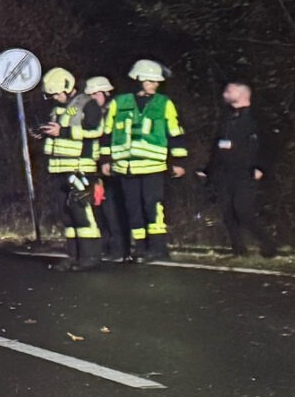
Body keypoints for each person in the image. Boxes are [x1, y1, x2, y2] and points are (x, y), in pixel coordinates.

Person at [107, 59, 187, 262]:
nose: (155, 85)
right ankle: (140, 248)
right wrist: (105, 160)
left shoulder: (164, 103)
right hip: (126, 166)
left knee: (152, 205)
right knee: (132, 207)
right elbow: (106, 133)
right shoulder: (119, 102)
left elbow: (175, 132)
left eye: (156, 82)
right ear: (138, 79)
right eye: (150, 81)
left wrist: (179, 162)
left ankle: (158, 247)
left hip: (153, 165)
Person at [36, 67, 101, 267]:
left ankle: (89, 257)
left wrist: (63, 132)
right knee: (66, 214)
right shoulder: (57, 108)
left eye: (57, 93)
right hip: (59, 168)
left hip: (79, 167)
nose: (55, 97)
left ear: (68, 86)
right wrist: (44, 133)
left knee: (82, 212)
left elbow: (96, 131)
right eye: (51, 95)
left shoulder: (88, 105)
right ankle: (73, 256)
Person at [211, 80, 276, 258]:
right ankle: (239, 250)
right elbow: (217, 146)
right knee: (227, 211)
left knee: (243, 209)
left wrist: (261, 166)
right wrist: (209, 169)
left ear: (242, 94)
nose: (225, 93)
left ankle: (268, 243)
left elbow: (269, 144)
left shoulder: (257, 118)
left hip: (246, 171)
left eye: (229, 90)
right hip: (225, 172)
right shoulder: (228, 118)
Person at [80, 75, 124, 257]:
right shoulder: (90, 114)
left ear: (105, 93)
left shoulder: (112, 113)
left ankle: (118, 247)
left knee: (112, 208)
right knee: (97, 207)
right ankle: (106, 245)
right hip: (93, 168)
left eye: (95, 94)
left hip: (110, 169)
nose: (92, 99)